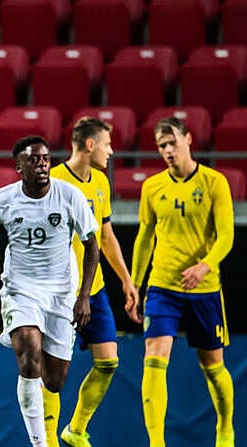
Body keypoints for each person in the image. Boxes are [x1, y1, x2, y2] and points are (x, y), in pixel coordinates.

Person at [0, 136, 100, 447]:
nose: (41, 164)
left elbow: (92, 246)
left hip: (61, 294)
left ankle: (38, 398)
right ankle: (39, 443)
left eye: (45, 158)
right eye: (33, 159)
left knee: (54, 382)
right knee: (28, 351)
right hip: (19, 289)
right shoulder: (1, 200)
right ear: (19, 167)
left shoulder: (70, 196)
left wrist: (84, 297)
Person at [128, 117, 235, 447]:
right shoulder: (152, 187)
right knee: (154, 357)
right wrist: (134, 284)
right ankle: (156, 442)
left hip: (203, 289)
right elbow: (145, 236)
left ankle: (225, 426)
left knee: (213, 367)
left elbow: (227, 235)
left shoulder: (215, 182)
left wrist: (205, 266)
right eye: (162, 146)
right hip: (163, 286)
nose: (168, 151)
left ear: (189, 139)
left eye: (173, 143)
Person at [47, 117, 140, 447]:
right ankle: (45, 441)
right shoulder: (53, 181)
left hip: (94, 289)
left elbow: (106, 235)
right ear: (90, 145)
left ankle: (74, 430)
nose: (111, 152)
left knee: (108, 361)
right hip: (58, 294)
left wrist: (127, 281)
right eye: (107, 144)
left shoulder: (100, 181)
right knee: (52, 374)